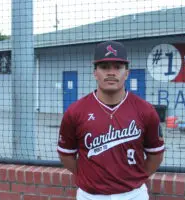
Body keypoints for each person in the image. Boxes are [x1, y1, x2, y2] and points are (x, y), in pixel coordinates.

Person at [57, 40, 165, 200]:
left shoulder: (145, 110)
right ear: (95, 73)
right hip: (90, 196)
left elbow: (155, 155)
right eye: (104, 67)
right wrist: (89, 176)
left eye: (118, 67)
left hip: (133, 195)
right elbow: (66, 155)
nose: (111, 73)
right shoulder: (75, 111)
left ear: (127, 73)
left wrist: (134, 179)